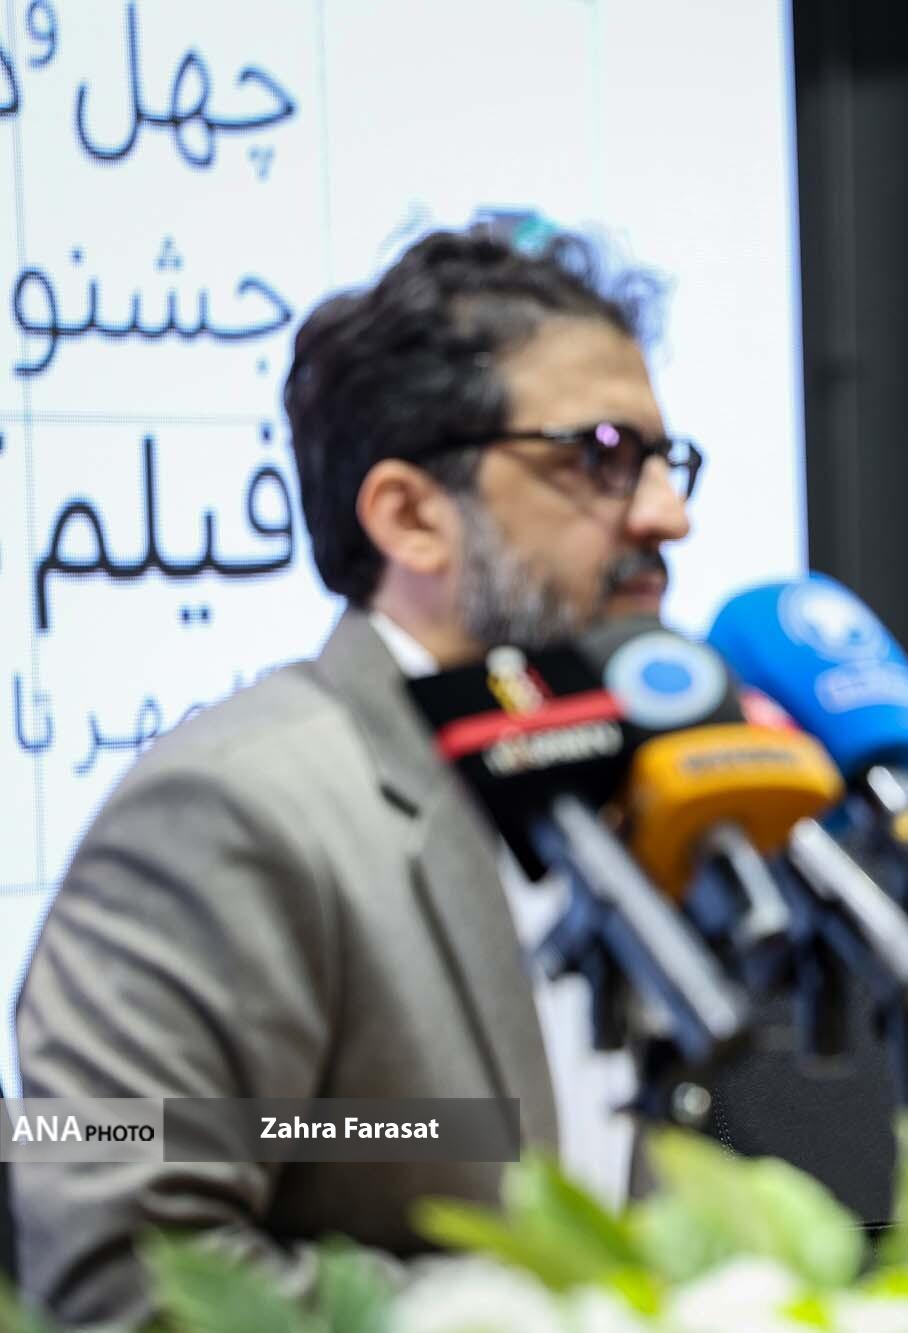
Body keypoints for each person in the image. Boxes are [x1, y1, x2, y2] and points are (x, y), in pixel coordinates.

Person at [11, 225, 703, 1325]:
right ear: (411, 516)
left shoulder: (645, 782)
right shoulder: (231, 808)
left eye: (668, 462)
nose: (668, 513)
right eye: (600, 456)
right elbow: (124, 1271)